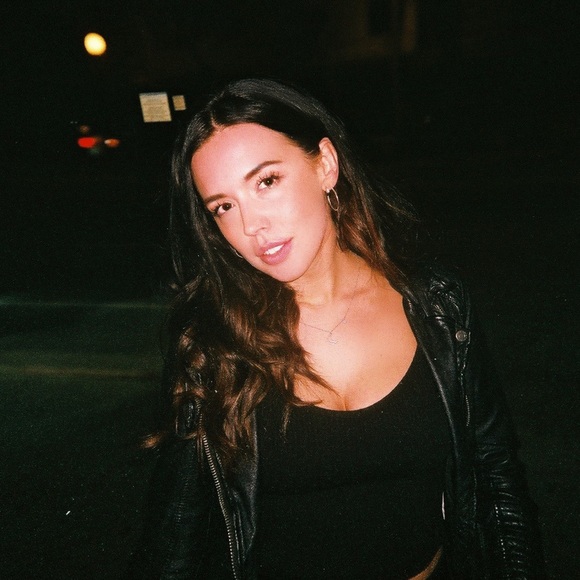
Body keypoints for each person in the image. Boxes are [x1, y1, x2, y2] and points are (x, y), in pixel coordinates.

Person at [130, 78, 544, 579]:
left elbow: (496, 474)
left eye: (266, 181)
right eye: (224, 206)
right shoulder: (213, 344)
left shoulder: (437, 306)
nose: (251, 225)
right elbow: (175, 532)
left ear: (325, 164)